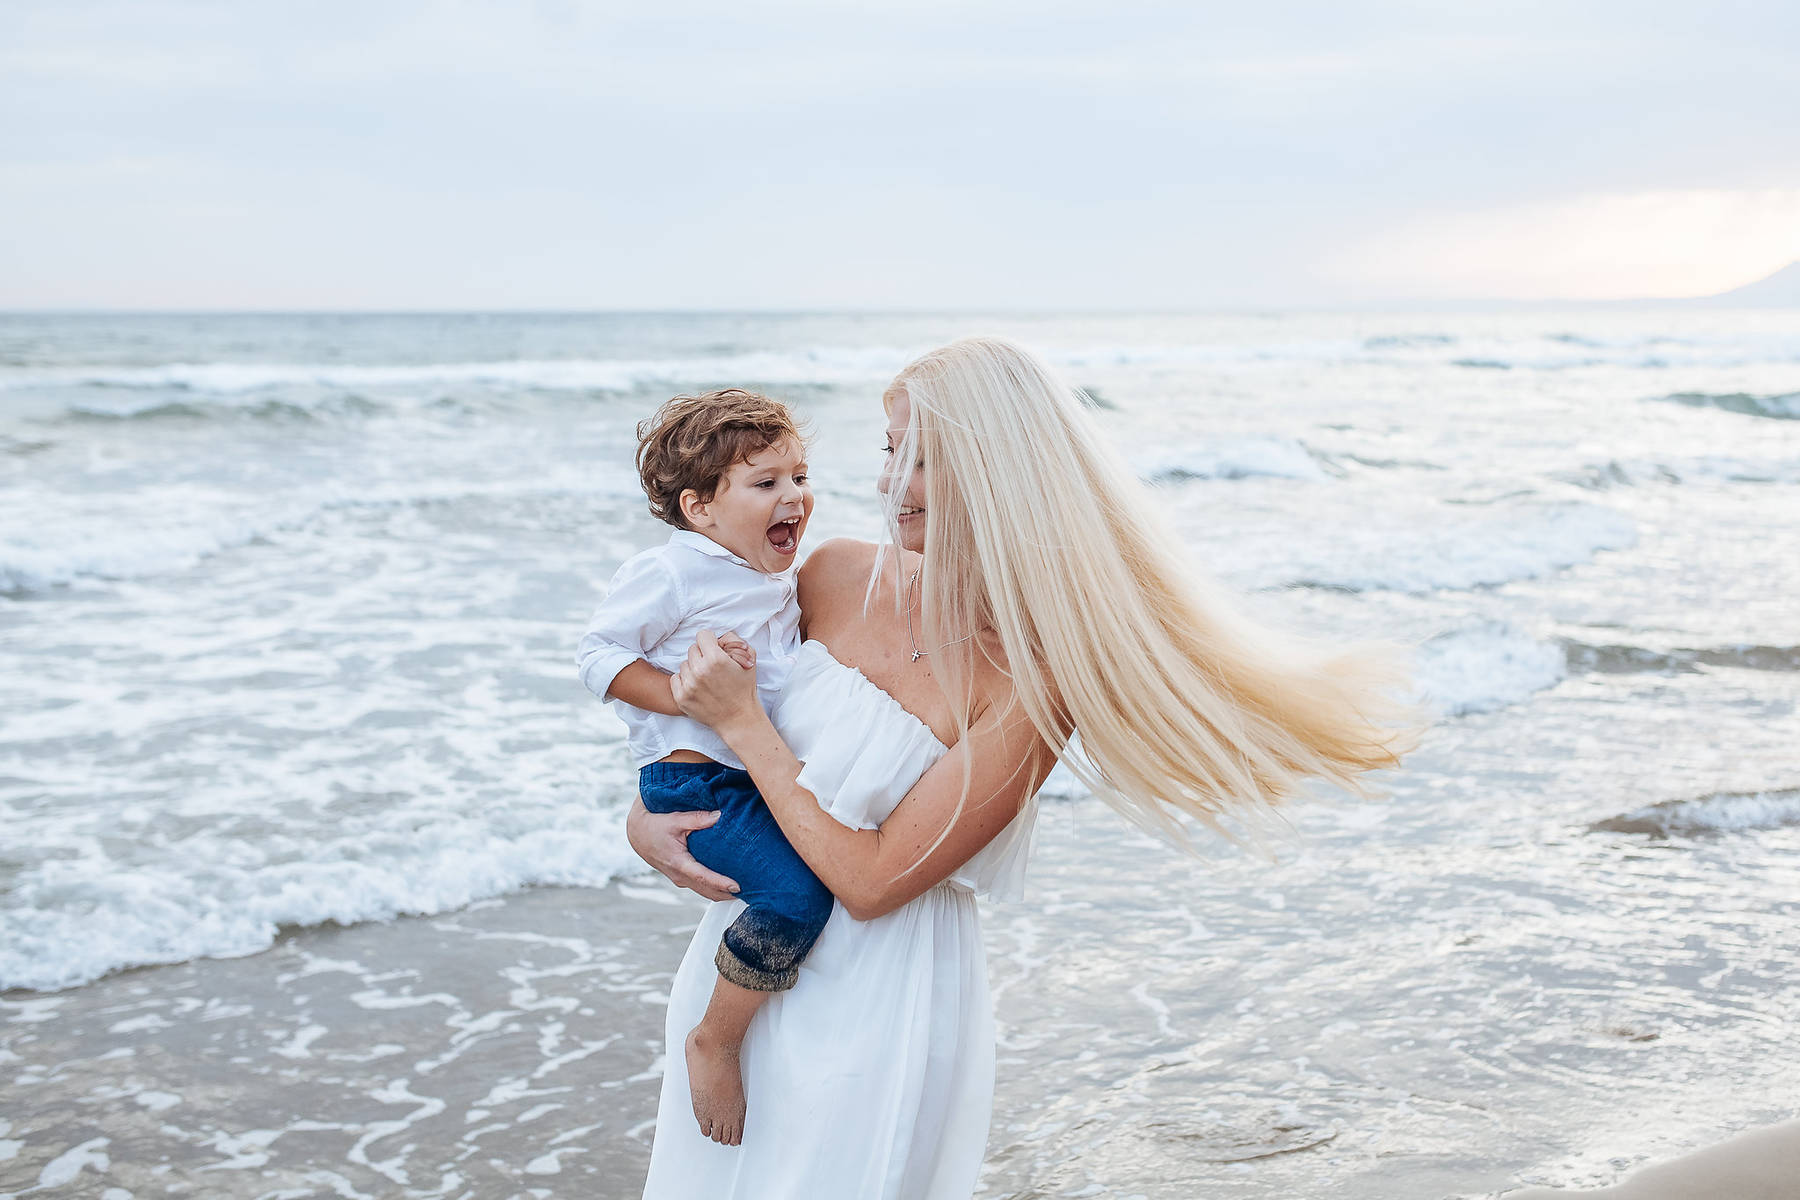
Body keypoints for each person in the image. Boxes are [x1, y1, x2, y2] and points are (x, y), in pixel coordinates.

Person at [629, 337, 1415, 1199]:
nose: (890, 482)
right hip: (738, 974)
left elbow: (874, 880)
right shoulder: (829, 576)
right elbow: (703, 729)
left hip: (880, 999)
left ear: (994, 471)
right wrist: (646, 820)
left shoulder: (1034, 683)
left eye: (920, 460)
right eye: (890, 453)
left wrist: (745, 723)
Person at [576, 389, 826, 1148]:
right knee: (798, 895)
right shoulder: (676, 572)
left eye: (799, 476)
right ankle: (713, 1040)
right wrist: (688, 700)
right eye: (765, 483)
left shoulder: (777, 576)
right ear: (700, 508)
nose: (794, 497)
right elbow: (597, 654)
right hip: (697, 783)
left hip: (753, 773)